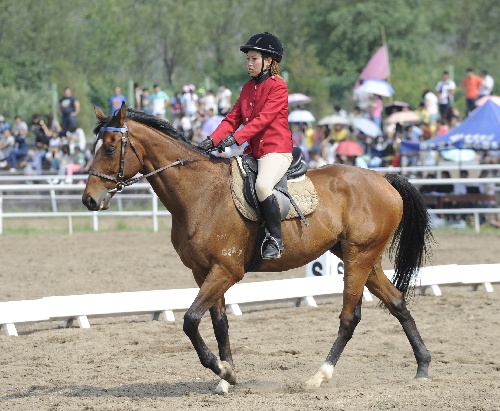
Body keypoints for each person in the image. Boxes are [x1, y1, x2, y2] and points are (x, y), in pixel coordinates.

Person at [197, 32, 293, 259]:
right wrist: (211, 140)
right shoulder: (247, 88)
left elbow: (263, 120)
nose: (249, 63)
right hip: (254, 152)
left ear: (268, 61)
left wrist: (235, 139)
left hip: (276, 150)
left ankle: (275, 240)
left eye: (254, 59)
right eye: (247, 59)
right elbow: (231, 119)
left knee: (262, 186)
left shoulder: (278, 87)